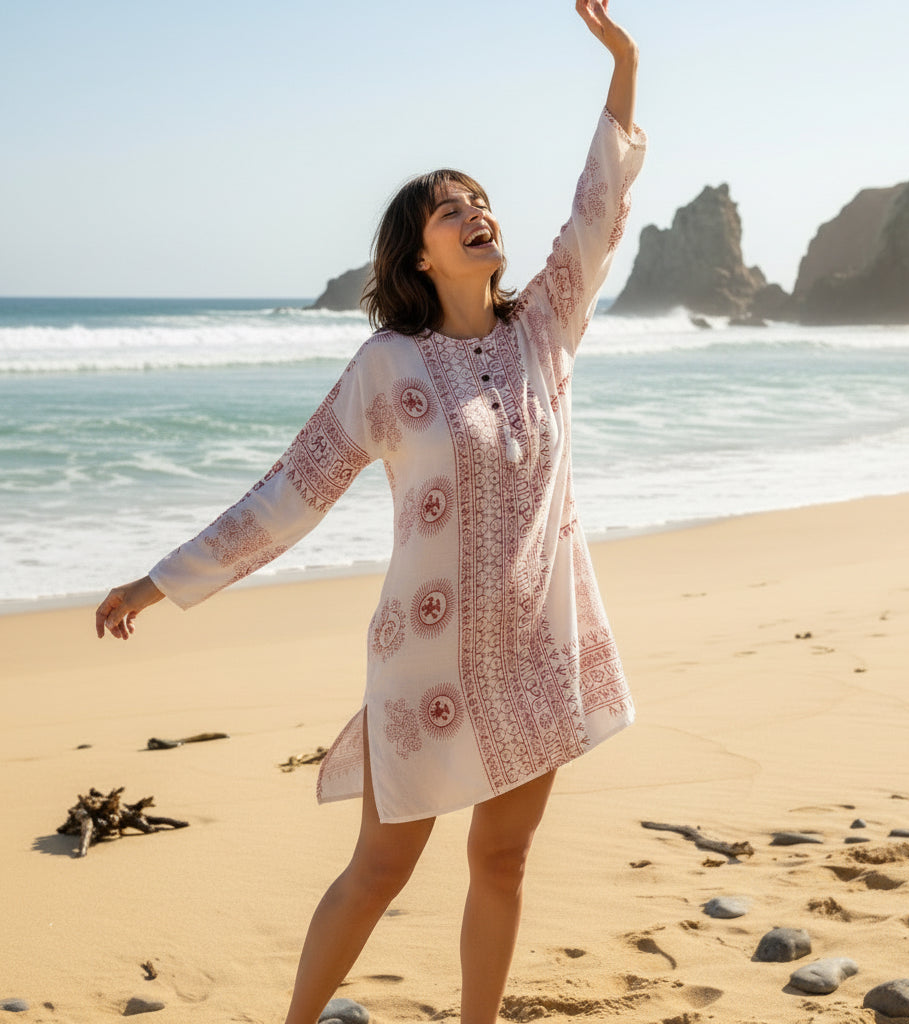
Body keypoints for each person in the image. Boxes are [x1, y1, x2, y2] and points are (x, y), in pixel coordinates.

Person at [94, 3, 644, 1022]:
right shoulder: (386, 368)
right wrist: (159, 583)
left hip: (535, 644)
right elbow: (287, 493)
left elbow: (598, 206)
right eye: (450, 209)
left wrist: (623, 61)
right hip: (423, 662)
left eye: (481, 199)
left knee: (505, 856)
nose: (477, 211)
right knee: (379, 871)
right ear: (417, 253)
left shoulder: (545, 330)